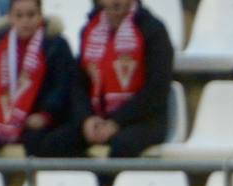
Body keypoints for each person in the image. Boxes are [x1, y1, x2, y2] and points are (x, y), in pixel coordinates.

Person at [37, 0, 173, 159]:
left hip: (142, 120)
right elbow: (79, 84)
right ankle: (87, 179)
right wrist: (86, 119)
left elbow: (157, 89)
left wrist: (116, 122)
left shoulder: (153, 30)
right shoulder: (89, 29)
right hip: (97, 117)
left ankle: (104, 182)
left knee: (122, 145)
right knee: (54, 143)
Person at [0, 0, 77, 158]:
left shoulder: (56, 45)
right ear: (10, 18)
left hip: (41, 118)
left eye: (31, 15)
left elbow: (63, 85)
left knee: (38, 143)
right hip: (1, 117)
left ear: (40, 16)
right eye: (19, 16)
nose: (25, 21)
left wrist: (46, 114)